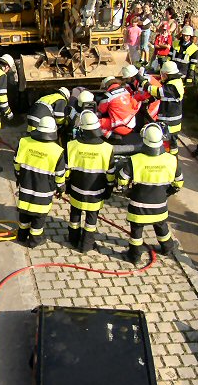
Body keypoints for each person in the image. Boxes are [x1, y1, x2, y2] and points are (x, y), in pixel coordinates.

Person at [117, 124, 183, 264]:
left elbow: (122, 180)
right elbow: (179, 183)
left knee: (136, 233)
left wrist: (127, 191)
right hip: (160, 205)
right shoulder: (172, 160)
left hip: (137, 206)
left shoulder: (134, 160)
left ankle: (135, 257)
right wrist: (166, 193)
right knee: (161, 227)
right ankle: (167, 248)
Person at [65, 110, 116, 253]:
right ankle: (86, 245)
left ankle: (73, 239)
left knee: (75, 214)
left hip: (76, 189)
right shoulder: (107, 148)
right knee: (91, 220)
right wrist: (109, 188)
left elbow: (66, 171)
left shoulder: (72, 145)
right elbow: (110, 174)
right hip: (96, 192)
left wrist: (66, 186)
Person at [13, 117, 66, 248]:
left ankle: (21, 236)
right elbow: (59, 174)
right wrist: (61, 188)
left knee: (24, 212)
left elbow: (16, 162)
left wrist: (19, 176)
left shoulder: (24, 142)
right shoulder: (57, 151)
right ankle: (34, 240)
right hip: (44, 191)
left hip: (26, 186)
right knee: (38, 217)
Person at [144, 60, 185, 155]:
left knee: (168, 145)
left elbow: (156, 91)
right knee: (172, 145)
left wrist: (143, 83)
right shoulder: (175, 82)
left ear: (167, 74)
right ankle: (173, 161)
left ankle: (171, 161)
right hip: (173, 122)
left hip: (169, 123)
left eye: (162, 73)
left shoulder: (172, 87)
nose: (161, 75)